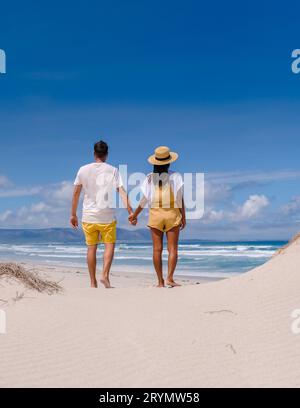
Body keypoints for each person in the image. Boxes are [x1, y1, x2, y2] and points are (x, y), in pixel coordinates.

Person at [70, 140, 134, 288]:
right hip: (107, 216)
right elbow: (122, 192)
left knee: (91, 248)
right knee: (109, 245)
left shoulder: (83, 170)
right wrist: (130, 211)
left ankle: (93, 283)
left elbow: (75, 194)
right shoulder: (113, 170)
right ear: (106, 154)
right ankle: (105, 275)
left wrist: (73, 214)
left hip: (88, 216)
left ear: (94, 154)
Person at [129, 146, 186, 287]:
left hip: (155, 215)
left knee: (156, 249)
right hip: (172, 214)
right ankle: (170, 278)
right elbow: (179, 199)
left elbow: (144, 200)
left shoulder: (148, 178)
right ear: (169, 162)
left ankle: (160, 282)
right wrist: (184, 216)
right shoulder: (176, 176)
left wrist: (134, 215)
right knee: (172, 249)